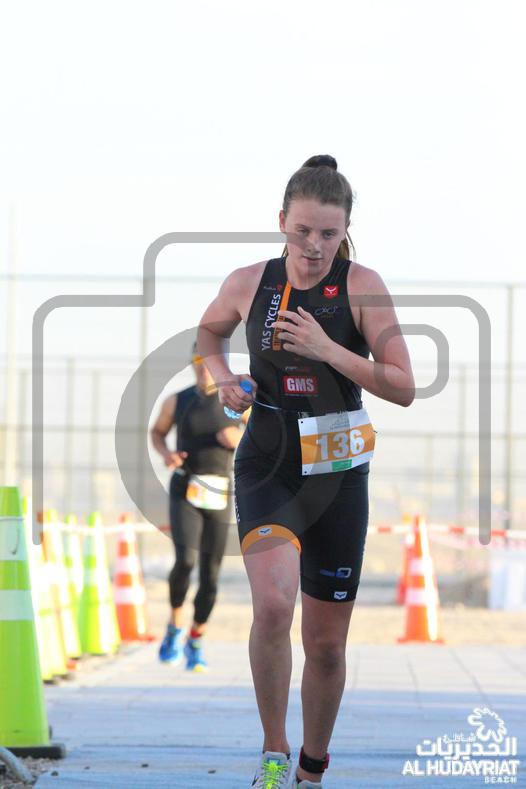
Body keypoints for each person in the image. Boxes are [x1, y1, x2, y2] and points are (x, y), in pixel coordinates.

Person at [197, 154, 415, 787]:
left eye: (329, 233)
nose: (314, 246)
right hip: (268, 464)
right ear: (281, 222)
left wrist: (328, 349)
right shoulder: (249, 282)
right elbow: (208, 336)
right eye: (302, 231)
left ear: (345, 230)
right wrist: (223, 379)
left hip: (338, 472)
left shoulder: (362, 286)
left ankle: (312, 767)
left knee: (324, 643)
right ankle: (274, 752)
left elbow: (403, 386)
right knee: (272, 606)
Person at [150, 343, 247, 672]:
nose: (204, 366)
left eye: (210, 361)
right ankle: (175, 626)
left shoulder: (236, 401)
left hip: (219, 490)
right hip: (186, 488)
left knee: (211, 573)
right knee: (185, 561)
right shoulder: (177, 400)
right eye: (198, 360)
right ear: (192, 363)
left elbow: (265, 433)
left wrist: (240, 438)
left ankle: (196, 638)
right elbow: (157, 433)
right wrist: (166, 454)